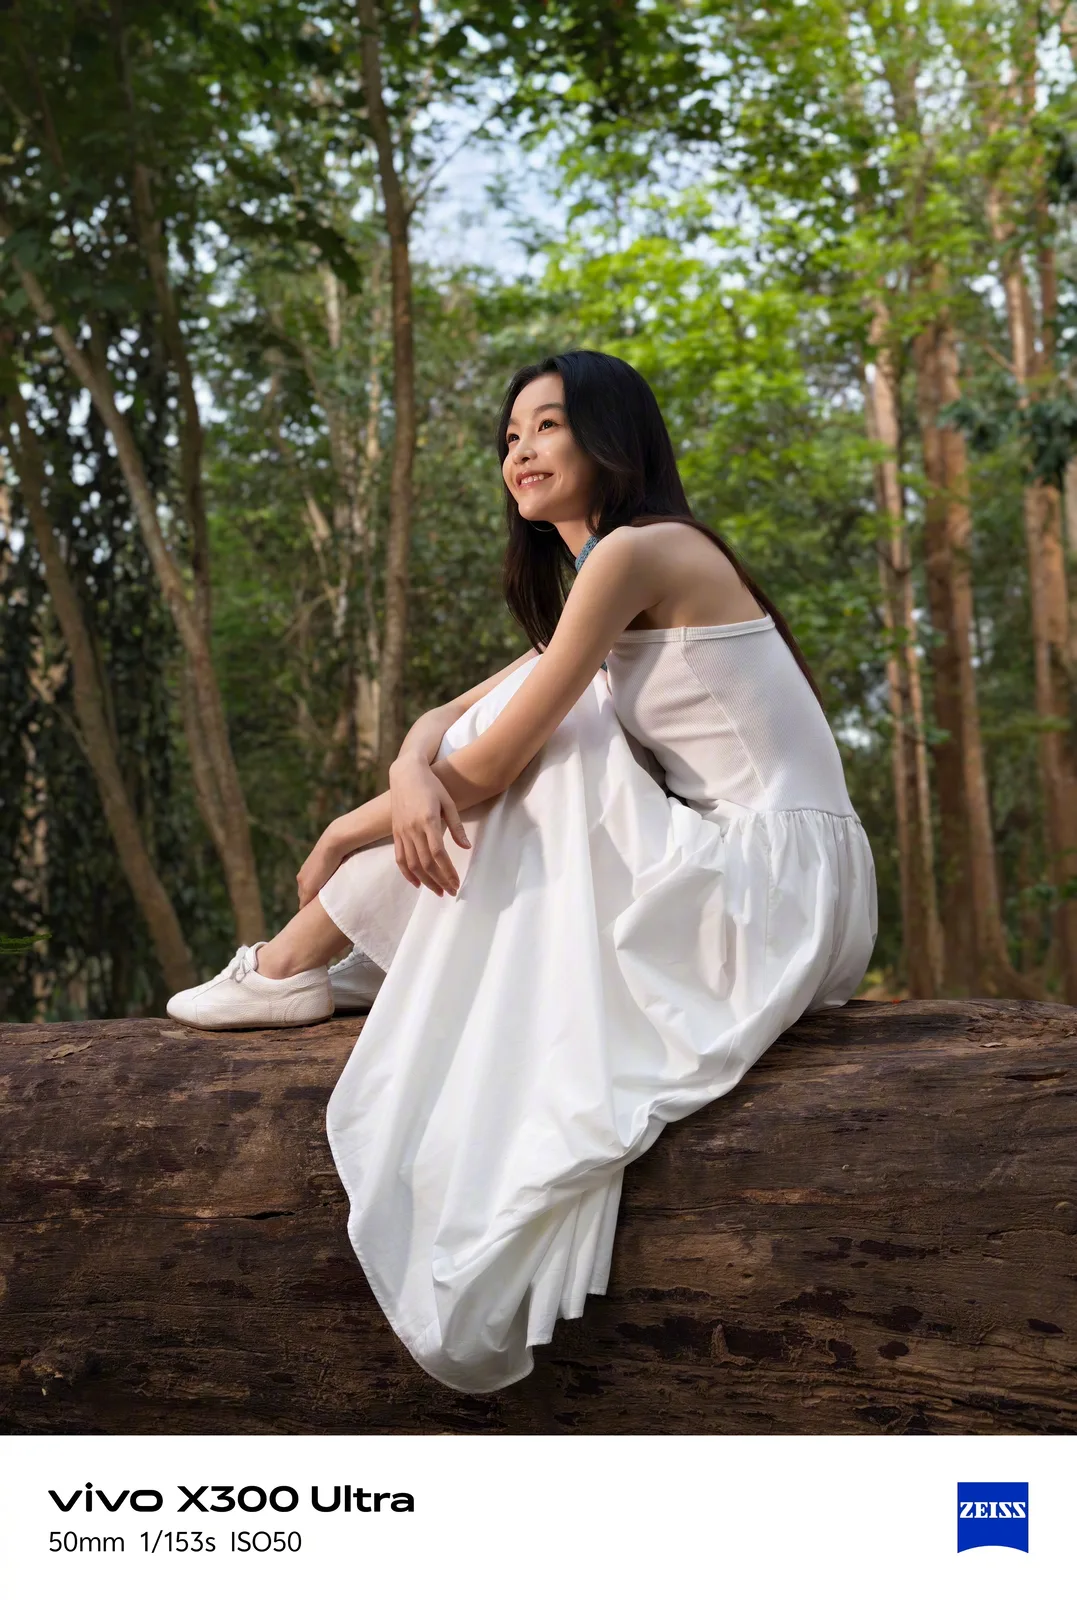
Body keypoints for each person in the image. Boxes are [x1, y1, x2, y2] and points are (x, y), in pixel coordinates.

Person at [167, 349, 878, 1393]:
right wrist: (402, 771)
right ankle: (312, 964)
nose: (522, 452)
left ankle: (292, 964)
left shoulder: (639, 552)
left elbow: (492, 758)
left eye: (548, 425)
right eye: (510, 437)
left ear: (612, 438)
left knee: (556, 738)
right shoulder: (616, 576)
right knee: (552, 720)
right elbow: (450, 717)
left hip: (774, 890)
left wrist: (345, 832)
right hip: (790, 888)